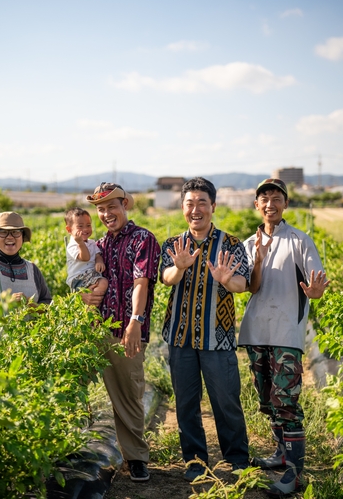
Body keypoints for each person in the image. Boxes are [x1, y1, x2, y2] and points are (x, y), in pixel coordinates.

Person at [238, 178, 329, 497]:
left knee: (286, 402)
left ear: (285, 204)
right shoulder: (250, 244)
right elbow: (249, 286)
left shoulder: (299, 241)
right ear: (257, 205)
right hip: (256, 330)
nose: (270, 204)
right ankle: (280, 453)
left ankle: (295, 471)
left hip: (286, 332)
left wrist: (316, 292)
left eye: (276, 198)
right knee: (267, 400)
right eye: (264, 198)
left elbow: (317, 284)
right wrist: (258, 262)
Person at [160, 177, 250, 482]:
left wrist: (227, 279)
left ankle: (237, 458)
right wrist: (181, 266)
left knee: (226, 400)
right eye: (189, 203)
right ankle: (195, 460)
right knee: (186, 403)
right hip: (180, 336)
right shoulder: (173, 245)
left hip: (218, 336)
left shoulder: (232, 244)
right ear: (183, 207)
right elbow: (166, 278)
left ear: (213, 206)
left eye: (202, 202)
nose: (195, 209)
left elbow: (243, 284)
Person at [83, 182, 160, 482]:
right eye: (100, 209)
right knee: (90, 389)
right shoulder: (100, 245)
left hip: (126, 330)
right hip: (98, 329)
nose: (106, 213)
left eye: (111, 206)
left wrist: (135, 321)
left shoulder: (143, 239)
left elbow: (142, 282)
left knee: (128, 392)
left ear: (125, 204)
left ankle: (136, 458)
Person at [0, 211, 52, 345]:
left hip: (30, 352)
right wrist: (6, 304)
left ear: (23, 237)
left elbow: (48, 305)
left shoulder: (32, 269)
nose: (10, 237)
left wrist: (30, 306)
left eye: (16, 232)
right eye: (3, 232)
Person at [64, 207, 108, 295]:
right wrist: (80, 243)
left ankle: (91, 301)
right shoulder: (72, 245)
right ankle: (91, 304)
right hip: (78, 279)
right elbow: (85, 258)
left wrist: (99, 261)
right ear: (69, 230)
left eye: (88, 225)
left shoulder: (91, 243)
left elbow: (97, 254)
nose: (85, 229)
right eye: (80, 226)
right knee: (103, 282)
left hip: (90, 275)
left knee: (103, 282)